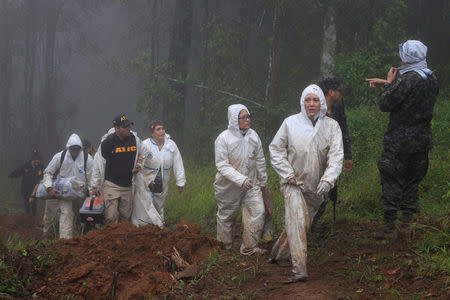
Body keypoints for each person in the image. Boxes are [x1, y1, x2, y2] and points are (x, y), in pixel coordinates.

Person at [268, 84, 343, 282]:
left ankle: (277, 253)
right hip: (292, 182)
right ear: (303, 102)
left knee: (300, 223)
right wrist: (287, 173)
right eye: (308, 100)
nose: (311, 104)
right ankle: (299, 269)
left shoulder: (331, 126)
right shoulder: (290, 123)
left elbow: (336, 157)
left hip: (316, 187)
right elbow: (276, 150)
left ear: (321, 103)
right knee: (298, 220)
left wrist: (328, 180)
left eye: (315, 100)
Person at [366, 40, 439, 239]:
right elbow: (411, 97)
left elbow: (385, 103)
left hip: (399, 141)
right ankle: (406, 225)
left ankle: (389, 227)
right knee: (412, 181)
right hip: (421, 139)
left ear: (406, 56)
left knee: (391, 180)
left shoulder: (406, 80)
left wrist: (389, 83)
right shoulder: (430, 78)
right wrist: (390, 84)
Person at [214, 104, 269, 255]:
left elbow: (260, 161)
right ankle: (224, 248)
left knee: (258, 211)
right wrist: (240, 179)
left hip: (251, 184)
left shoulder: (253, 136)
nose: (247, 120)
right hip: (228, 186)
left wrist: (263, 182)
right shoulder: (223, 139)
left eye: (248, 116)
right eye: (243, 117)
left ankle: (249, 247)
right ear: (234, 119)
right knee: (227, 216)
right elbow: (222, 165)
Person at [90, 114, 148, 224]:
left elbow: (144, 152)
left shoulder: (134, 139)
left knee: (125, 217)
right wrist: (95, 185)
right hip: (111, 184)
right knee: (111, 216)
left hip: (128, 185)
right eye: (125, 127)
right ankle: (110, 239)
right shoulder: (107, 143)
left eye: (129, 126)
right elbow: (98, 165)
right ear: (117, 128)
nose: (128, 129)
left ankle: (123, 240)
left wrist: (139, 165)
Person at [312, 77, 353, 229]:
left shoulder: (337, 108)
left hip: (333, 157)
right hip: (315, 159)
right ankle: (307, 227)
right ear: (331, 92)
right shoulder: (313, 108)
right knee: (315, 195)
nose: (341, 93)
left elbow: (343, 129)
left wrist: (347, 155)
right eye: (339, 90)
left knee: (329, 191)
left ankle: (311, 227)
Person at [42, 133, 93, 239]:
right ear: (68, 148)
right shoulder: (59, 157)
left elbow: (91, 179)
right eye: (72, 149)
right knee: (66, 214)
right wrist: (49, 187)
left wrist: (91, 196)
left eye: (77, 149)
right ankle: (64, 241)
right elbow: (48, 173)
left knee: (82, 218)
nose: (75, 151)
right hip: (63, 193)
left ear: (81, 148)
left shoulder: (87, 159)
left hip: (80, 193)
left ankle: (82, 239)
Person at [138, 120, 185, 222]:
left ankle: (159, 226)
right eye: (158, 129)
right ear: (152, 133)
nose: (161, 131)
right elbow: (139, 163)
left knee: (159, 207)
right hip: (147, 182)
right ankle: (146, 227)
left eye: (163, 129)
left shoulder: (171, 145)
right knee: (147, 207)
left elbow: (178, 163)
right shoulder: (145, 145)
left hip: (163, 182)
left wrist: (180, 182)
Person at [8, 149, 44, 216]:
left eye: (38, 160)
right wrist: (11, 175)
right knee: (27, 203)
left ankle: (34, 218)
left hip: (35, 188)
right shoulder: (26, 166)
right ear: (32, 159)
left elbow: (40, 180)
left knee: (34, 203)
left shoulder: (41, 167)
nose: (37, 161)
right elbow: (18, 172)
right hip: (25, 188)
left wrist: (32, 195)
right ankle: (27, 217)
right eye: (35, 160)